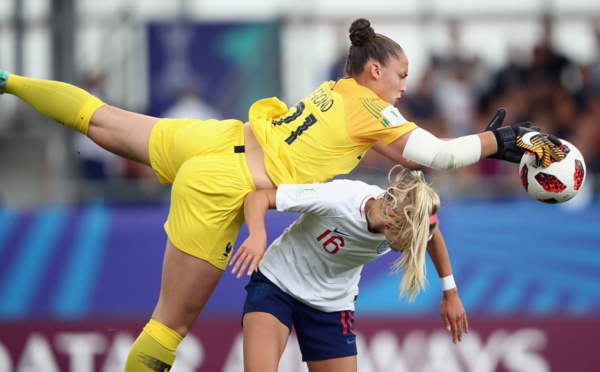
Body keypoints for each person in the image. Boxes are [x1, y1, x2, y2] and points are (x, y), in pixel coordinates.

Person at [0, 17, 560, 371]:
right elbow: (435, 156)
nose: (404, 87)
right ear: (373, 70)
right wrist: (502, 140)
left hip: (221, 138)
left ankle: (9, 81)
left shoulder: (338, 92)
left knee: (102, 121)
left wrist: (480, 143)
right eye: (401, 76)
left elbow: (411, 161)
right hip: (231, 185)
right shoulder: (372, 108)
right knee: (169, 324)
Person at [230, 167, 467, 372]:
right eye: (409, 239)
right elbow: (258, 197)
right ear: (392, 218)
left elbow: (432, 236)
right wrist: (258, 234)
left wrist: (451, 292)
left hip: (332, 306)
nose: (410, 246)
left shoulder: (410, 220)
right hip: (276, 284)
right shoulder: (338, 199)